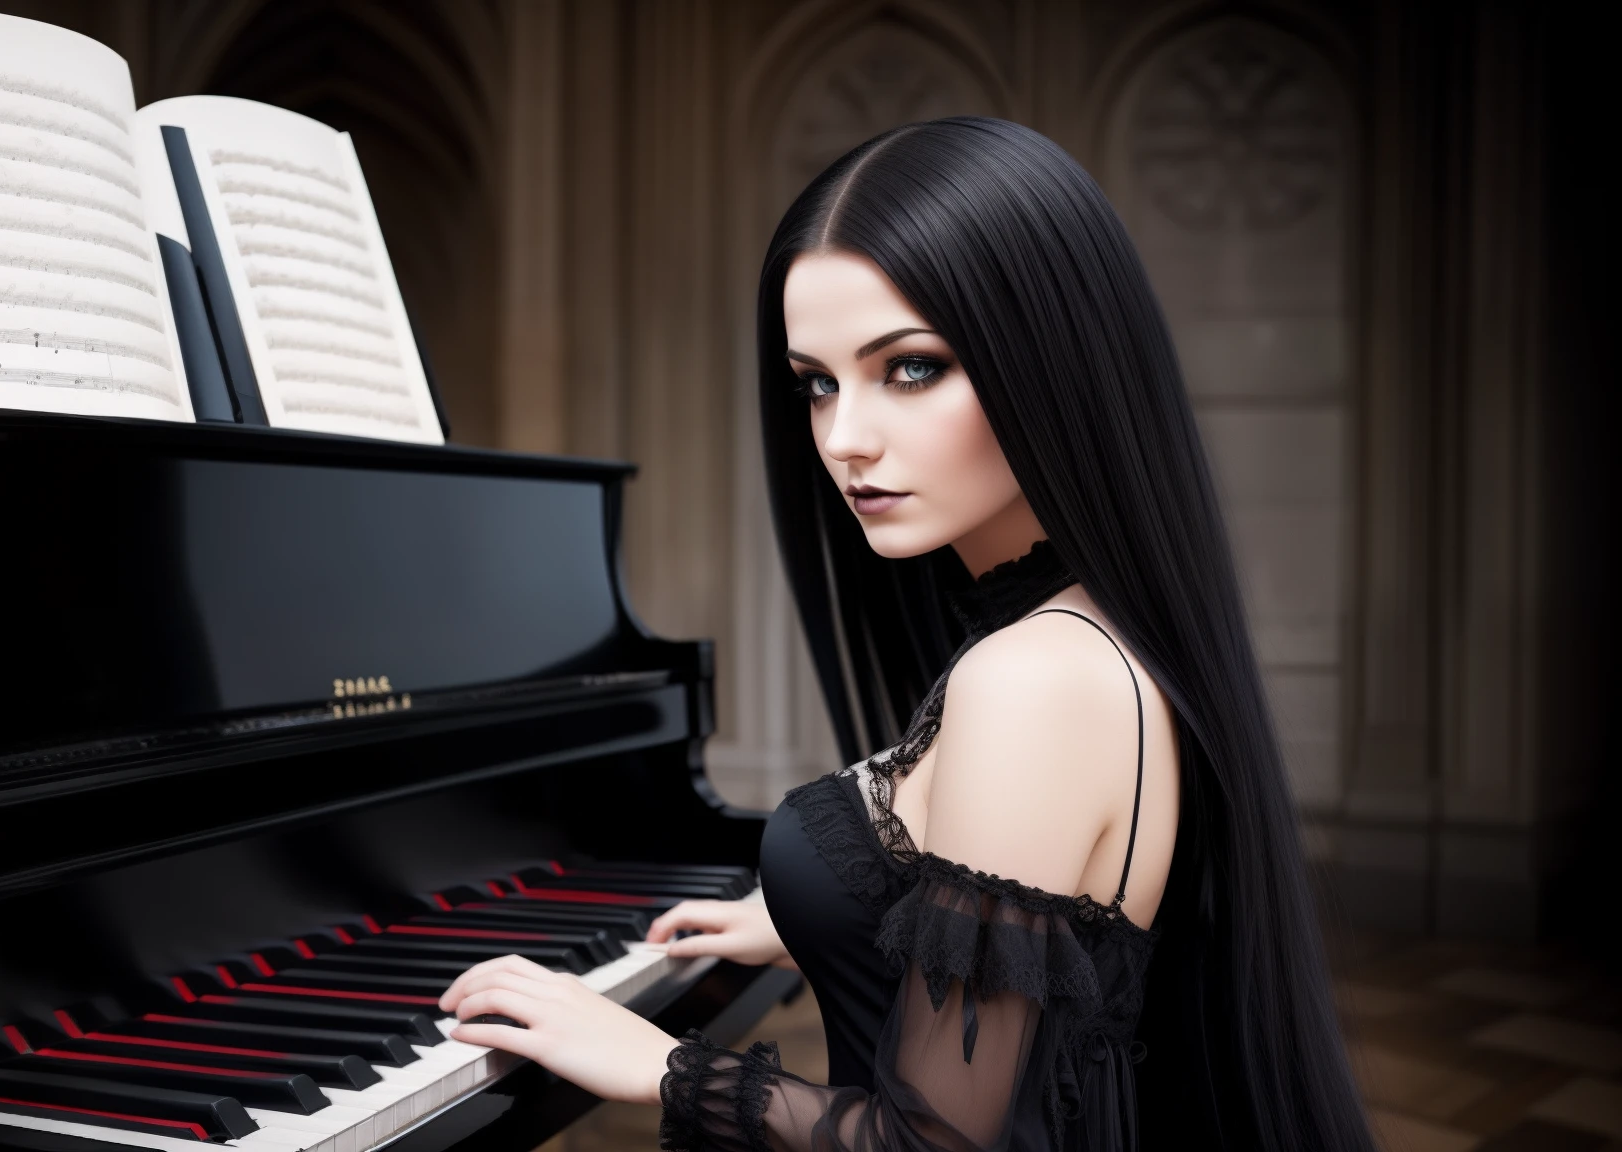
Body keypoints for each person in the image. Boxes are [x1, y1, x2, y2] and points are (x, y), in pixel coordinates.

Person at [439, 118, 1374, 1152]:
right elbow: (1060, 952)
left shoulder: (1033, 681)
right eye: (815, 383)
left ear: (1050, 364)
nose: (844, 440)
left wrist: (645, 1061)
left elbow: (934, 1143)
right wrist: (829, 919)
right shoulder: (1072, 627)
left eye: (911, 368)